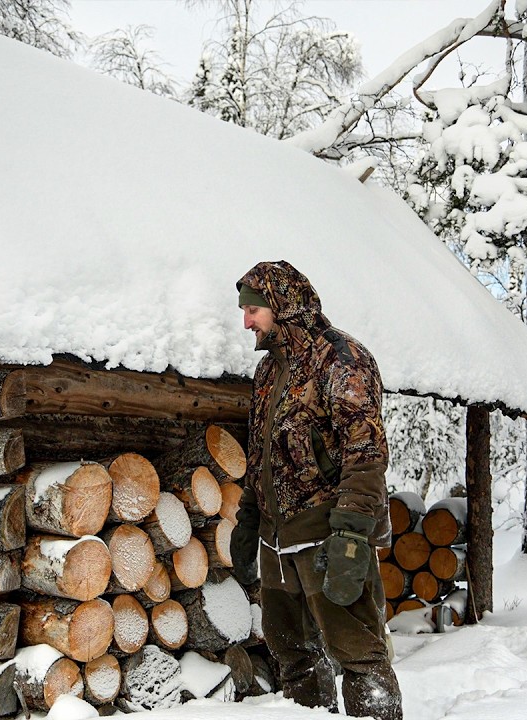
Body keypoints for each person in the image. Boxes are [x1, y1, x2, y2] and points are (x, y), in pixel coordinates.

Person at [230, 260, 402, 720]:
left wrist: (351, 536)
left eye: (253, 310)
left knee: (358, 654)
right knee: (293, 657)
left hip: (328, 534)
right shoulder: (269, 370)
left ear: (281, 305)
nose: (246, 321)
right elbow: (262, 450)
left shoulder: (342, 360)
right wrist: (250, 517)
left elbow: (365, 456)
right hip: (276, 537)